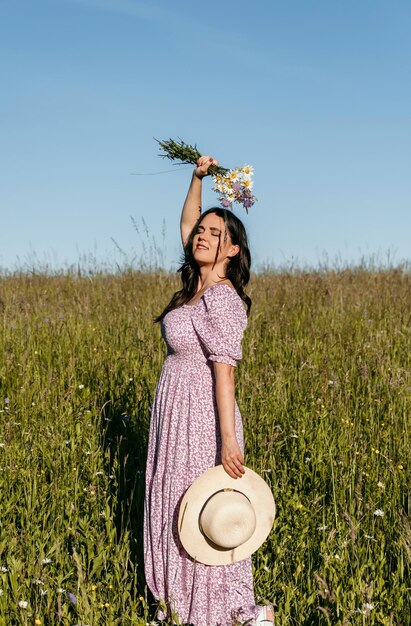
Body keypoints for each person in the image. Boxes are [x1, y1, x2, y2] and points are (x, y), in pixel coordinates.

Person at [144, 156, 274, 625]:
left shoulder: (221, 298)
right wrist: (196, 178)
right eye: (203, 230)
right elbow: (186, 222)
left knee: (198, 512)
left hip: (203, 418)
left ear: (234, 250)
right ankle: (178, 607)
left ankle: (216, 612)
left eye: (216, 234)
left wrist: (227, 439)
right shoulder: (193, 290)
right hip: (174, 413)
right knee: (171, 508)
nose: (203, 235)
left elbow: (224, 373)